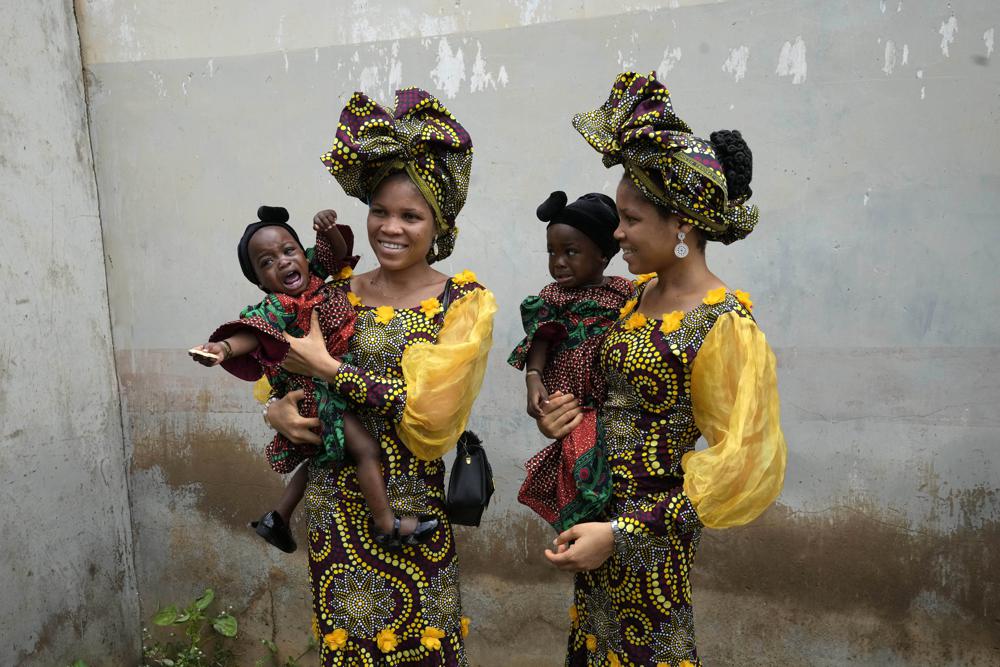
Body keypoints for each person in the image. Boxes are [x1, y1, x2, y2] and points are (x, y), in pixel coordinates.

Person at [537, 72, 787, 666]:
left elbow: (739, 464)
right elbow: (606, 399)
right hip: (597, 517)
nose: (617, 232)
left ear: (682, 225)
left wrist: (622, 533)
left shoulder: (723, 324)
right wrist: (562, 418)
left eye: (631, 219)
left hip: (652, 541)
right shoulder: (636, 298)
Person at [264, 87, 495, 665]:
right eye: (380, 212)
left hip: (414, 507)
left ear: (438, 223)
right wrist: (277, 409)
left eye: (410, 216)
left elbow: (430, 412)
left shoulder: (462, 302)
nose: (391, 228)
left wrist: (329, 369)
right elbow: (283, 370)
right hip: (335, 506)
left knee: (423, 646)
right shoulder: (334, 292)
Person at [190, 205, 438, 553]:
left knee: (323, 455)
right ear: (260, 281)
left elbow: (337, 252)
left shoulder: (316, 277)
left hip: (330, 385)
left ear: (303, 254)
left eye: (288, 251)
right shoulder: (279, 306)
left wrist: (328, 229)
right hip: (316, 393)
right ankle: (386, 524)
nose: (283, 262)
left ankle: (277, 517)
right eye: (267, 262)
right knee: (365, 450)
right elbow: (253, 334)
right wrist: (224, 348)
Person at [508, 191, 633, 532]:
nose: (558, 262)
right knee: (578, 469)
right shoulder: (552, 296)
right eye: (552, 252)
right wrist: (533, 376)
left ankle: (600, 530)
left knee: (607, 473)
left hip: (610, 404)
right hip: (572, 405)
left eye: (571, 252)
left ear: (604, 255)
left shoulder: (624, 293)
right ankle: (579, 529)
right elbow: (541, 336)